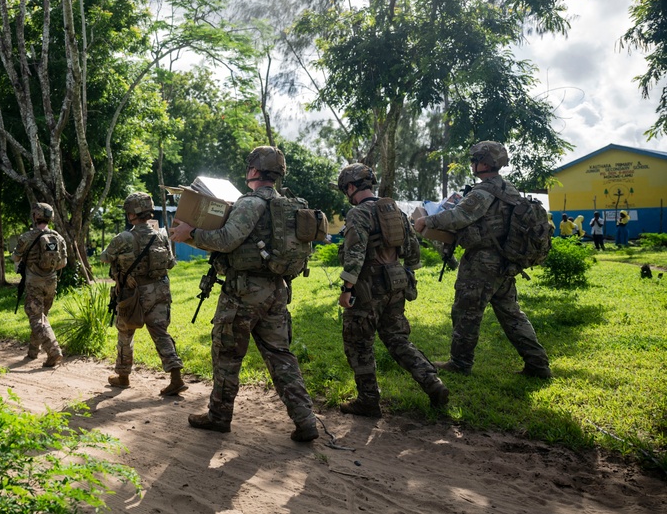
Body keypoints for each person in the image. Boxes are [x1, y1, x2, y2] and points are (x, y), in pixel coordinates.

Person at [170, 145, 319, 442]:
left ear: (253, 171)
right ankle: (306, 420)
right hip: (277, 290)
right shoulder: (287, 204)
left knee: (227, 354)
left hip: (243, 292)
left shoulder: (250, 203)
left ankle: (219, 416)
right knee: (281, 356)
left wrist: (192, 234)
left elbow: (226, 240)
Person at [414, 141, 551, 379]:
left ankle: (460, 363)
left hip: (482, 262)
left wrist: (428, 221)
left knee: (466, 311)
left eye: (473, 160)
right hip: (506, 261)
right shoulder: (509, 190)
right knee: (512, 314)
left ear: (484, 163)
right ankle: (538, 365)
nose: (471, 164)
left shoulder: (483, 192)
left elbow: (459, 216)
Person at [335, 164, 449, 417]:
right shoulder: (395, 210)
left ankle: (368, 400)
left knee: (358, 342)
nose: (347, 194)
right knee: (398, 339)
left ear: (351, 187)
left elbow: (354, 254)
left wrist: (346, 289)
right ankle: (433, 383)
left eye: (346, 189)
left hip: (368, 285)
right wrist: (406, 273)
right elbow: (413, 251)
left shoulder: (358, 213)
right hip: (396, 281)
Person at [100, 192, 187, 396]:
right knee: (160, 333)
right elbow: (170, 264)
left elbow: (105, 257)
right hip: (160, 291)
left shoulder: (124, 238)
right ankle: (176, 378)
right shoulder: (162, 235)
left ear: (131, 214)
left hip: (133, 294)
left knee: (125, 333)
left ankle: (123, 377)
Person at [12, 203, 68, 368]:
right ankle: (32, 351)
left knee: (37, 318)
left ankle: (53, 350)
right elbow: (63, 263)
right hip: (51, 282)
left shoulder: (26, 237)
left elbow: (15, 258)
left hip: (34, 282)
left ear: (35, 216)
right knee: (42, 317)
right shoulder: (58, 237)